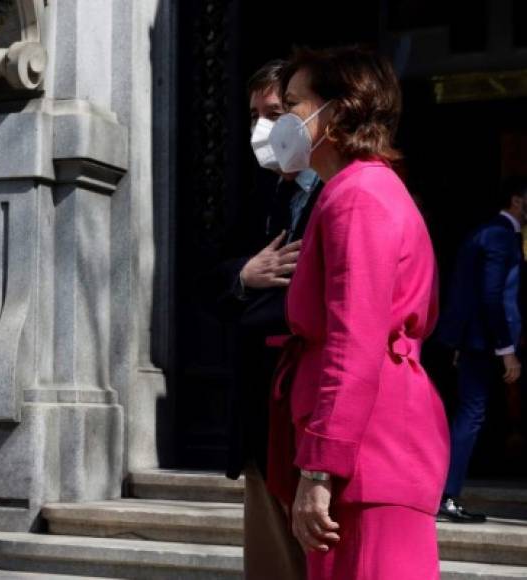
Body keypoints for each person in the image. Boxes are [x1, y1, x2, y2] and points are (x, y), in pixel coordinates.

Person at [265, 46, 449, 579]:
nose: (280, 121)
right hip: (373, 445)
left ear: (338, 111)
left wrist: (319, 468)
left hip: (368, 451)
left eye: (294, 105)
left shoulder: (358, 196)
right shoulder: (356, 189)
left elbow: (354, 341)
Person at [219, 59, 322, 580]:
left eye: (277, 112)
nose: (264, 128)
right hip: (260, 415)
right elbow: (208, 274)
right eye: (255, 114)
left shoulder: (340, 191)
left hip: (307, 413)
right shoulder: (260, 190)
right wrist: (245, 273)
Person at [435, 176, 527, 523]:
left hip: (472, 340)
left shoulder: (483, 233)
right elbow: (491, 296)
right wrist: (507, 349)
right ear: (517, 201)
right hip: (486, 343)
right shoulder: (500, 237)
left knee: (469, 414)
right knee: (471, 415)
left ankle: (446, 492)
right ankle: (448, 494)